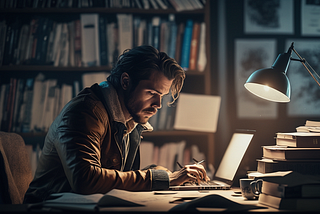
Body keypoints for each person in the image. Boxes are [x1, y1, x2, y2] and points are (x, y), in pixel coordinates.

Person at [24, 45, 209, 203]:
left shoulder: (128, 120)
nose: (158, 105)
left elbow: (116, 177)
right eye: (152, 92)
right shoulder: (85, 111)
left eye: (162, 96)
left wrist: (162, 174)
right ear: (126, 81)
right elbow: (85, 179)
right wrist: (160, 178)